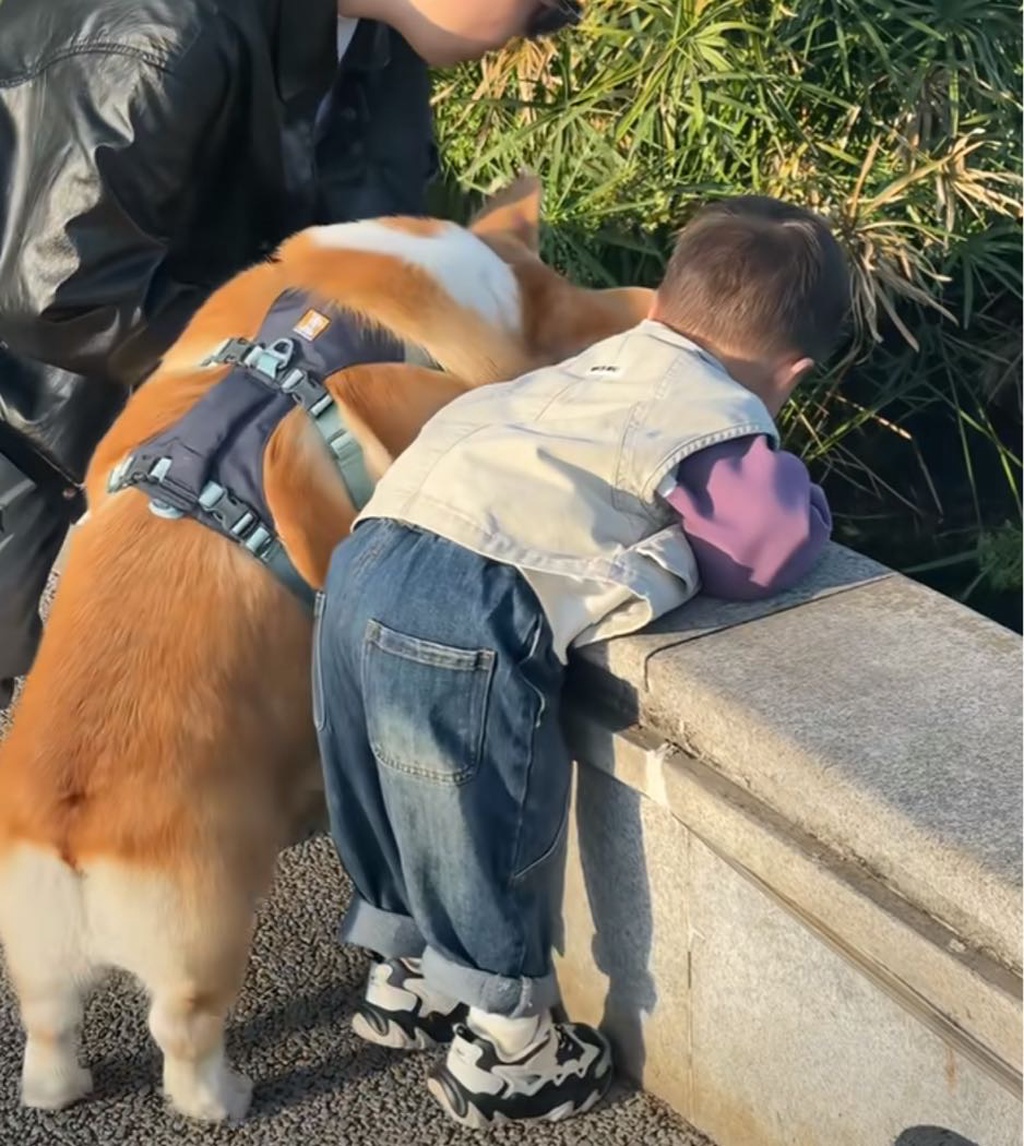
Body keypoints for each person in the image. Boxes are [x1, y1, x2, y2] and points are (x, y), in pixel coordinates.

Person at [312, 195, 851, 1127]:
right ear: (791, 373)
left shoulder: (588, 368)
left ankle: (406, 979)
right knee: (480, 813)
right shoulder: (710, 407)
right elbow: (764, 546)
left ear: (662, 303)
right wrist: (800, 496)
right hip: (467, 597)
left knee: (387, 794)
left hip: (364, 561)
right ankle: (508, 1051)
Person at [0, 0, 581, 710]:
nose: (541, 27)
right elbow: (62, 290)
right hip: (30, 416)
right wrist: (270, 364)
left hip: (131, 420)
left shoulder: (374, 47)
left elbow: (355, 274)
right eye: (547, 6)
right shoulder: (171, 32)